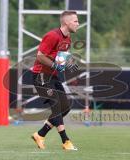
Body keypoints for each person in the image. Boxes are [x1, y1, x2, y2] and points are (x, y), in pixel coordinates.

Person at [31, 10, 79, 151]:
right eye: (75, 21)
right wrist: (55, 65)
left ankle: (40, 134)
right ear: (66, 22)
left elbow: (60, 60)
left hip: (52, 77)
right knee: (57, 106)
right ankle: (66, 141)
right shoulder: (52, 36)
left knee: (65, 108)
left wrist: (68, 63)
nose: (78, 24)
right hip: (41, 76)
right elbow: (40, 56)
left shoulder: (68, 38)